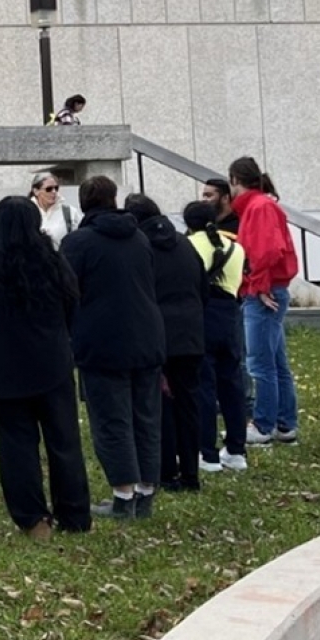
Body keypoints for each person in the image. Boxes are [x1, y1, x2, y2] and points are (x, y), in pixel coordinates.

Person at [0, 196, 91, 538]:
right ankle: (75, 515)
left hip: (3, 367)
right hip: (50, 362)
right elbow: (71, 306)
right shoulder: (51, 262)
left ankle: (33, 519)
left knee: (15, 445)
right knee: (64, 440)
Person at [59, 175, 166, 521]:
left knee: (111, 419)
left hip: (102, 340)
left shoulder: (78, 243)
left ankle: (123, 496)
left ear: (85, 203)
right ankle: (146, 494)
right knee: (146, 417)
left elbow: (67, 291)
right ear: (113, 199)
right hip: (147, 336)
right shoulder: (140, 238)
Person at [124, 194, 207, 493]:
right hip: (192, 334)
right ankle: (191, 473)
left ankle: (166, 472)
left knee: (160, 404)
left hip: (158, 335)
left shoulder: (141, 248)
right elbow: (203, 288)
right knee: (189, 403)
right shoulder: (186, 245)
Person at [229, 156, 300, 446]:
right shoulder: (263, 205)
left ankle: (263, 424)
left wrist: (259, 286)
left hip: (264, 292)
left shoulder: (258, 208)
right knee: (275, 361)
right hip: (272, 288)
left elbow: (266, 250)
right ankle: (284, 423)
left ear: (235, 180)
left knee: (260, 362)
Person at [183, 200, 250, 474]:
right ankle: (236, 450)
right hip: (231, 314)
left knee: (205, 386)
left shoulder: (189, 246)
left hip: (204, 314)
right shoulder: (236, 246)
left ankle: (207, 453)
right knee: (232, 385)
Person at [28, 171, 76, 249]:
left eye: (56, 188)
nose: (54, 192)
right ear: (36, 191)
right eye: (49, 189)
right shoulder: (27, 213)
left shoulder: (70, 212)